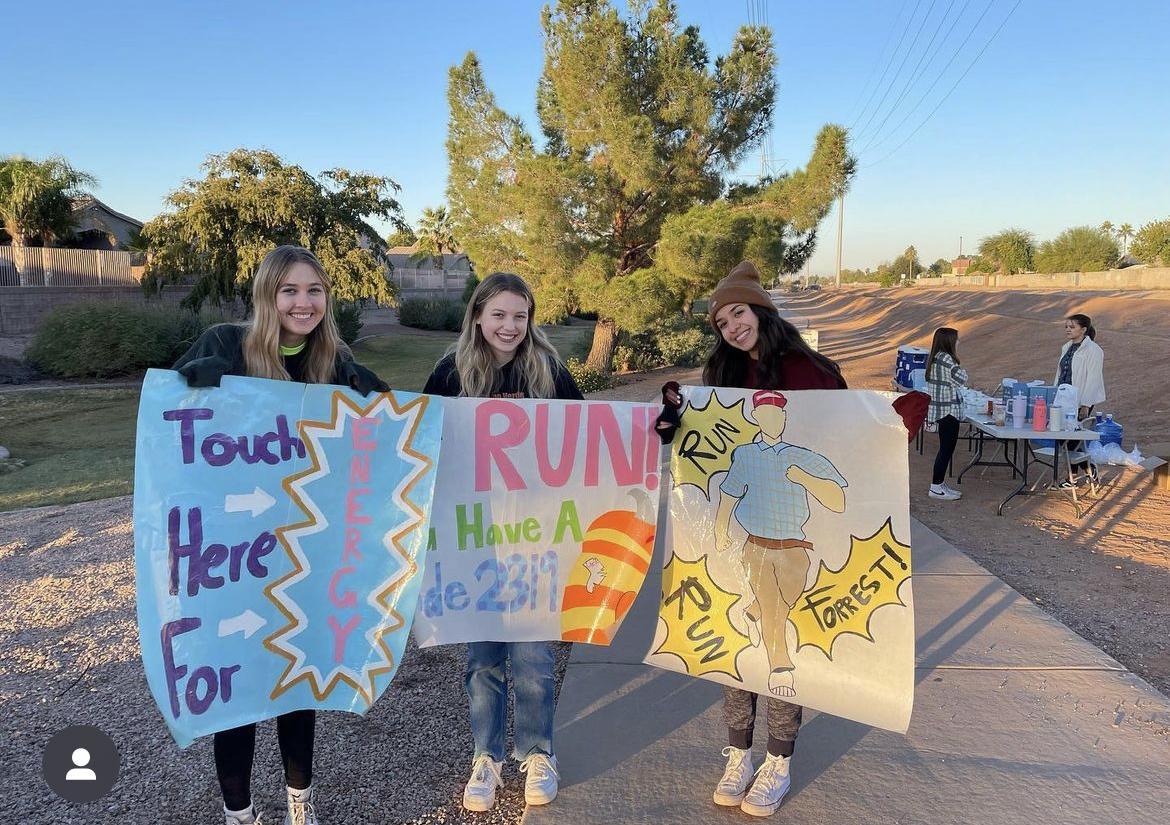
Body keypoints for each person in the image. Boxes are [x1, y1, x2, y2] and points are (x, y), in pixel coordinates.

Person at [173, 245, 388, 825]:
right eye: (289, 290)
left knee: (296, 678)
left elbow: (384, 429)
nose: (303, 303)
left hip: (304, 550)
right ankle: (238, 812)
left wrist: (381, 404)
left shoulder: (332, 360)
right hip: (234, 555)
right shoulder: (226, 343)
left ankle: (300, 801)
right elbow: (173, 430)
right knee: (239, 684)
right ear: (267, 295)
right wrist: (190, 387)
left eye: (314, 290)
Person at [655, 261, 846, 818]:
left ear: (761, 309)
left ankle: (778, 761)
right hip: (742, 544)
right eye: (721, 322)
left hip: (797, 545)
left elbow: (849, 446)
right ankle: (738, 754)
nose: (732, 327)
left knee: (780, 643)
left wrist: (892, 424)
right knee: (739, 645)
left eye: (737, 313)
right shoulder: (724, 376)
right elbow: (710, 464)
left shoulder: (813, 372)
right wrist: (673, 420)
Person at [422, 271, 583, 812]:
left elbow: (591, 433)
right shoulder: (450, 371)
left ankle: (538, 753)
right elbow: (418, 437)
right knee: (483, 658)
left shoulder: (549, 370)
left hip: (535, 536)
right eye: (499, 315)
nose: (510, 326)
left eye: (520, 315)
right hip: (473, 540)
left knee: (535, 656)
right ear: (477, 316)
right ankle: (485, 758)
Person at [924, 327, 967, 501]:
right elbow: (962, 378)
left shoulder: (935, 358)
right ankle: (935, 487)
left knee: (945, 449)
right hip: (949, 411)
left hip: (941, 411)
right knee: (946, 450)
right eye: (956, 339)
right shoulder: (947, 359)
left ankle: (939, 484)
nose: (958, 342)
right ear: (949, 341)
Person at [1055, 313, 1105, 418]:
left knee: (1075, 427)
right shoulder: (1066, 348)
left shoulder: (1093, 350)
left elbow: (1094, 378)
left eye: (1072, 327)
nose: (1068, 329)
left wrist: (1085, 405)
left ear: (1083, 330)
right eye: (1066, 327)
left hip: (1079, 400)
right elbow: (1060, 373)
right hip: (1062, 397)